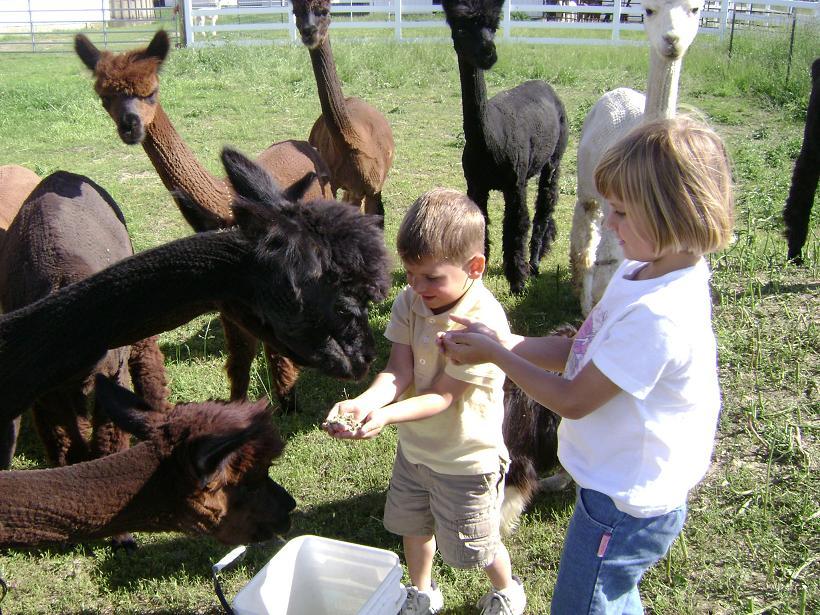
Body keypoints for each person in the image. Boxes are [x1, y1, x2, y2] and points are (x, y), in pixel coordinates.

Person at [438, 116, 735, 614]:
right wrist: (506, 338)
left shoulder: (661, 316)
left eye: (620, 212)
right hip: (613, 487)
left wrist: (499, 356)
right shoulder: (647, 270)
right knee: (610, 598)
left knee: (583, 604)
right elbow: (583, 347)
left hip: (624, 502)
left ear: (672, 215)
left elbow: (573, 400)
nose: (609, 222)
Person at [324, 188, 527, 615]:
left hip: (466, 461)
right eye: (410, 274)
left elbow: (442, 396)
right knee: (414, 530)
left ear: (475, 267)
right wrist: (365, 401)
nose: (417, 287)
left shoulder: (483, 324)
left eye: (431, 277)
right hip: (416, 452)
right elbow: (398, 371)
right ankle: (421, 592)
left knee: (479, 543)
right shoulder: (410, 301)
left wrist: (385, 415)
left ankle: (507, 590)